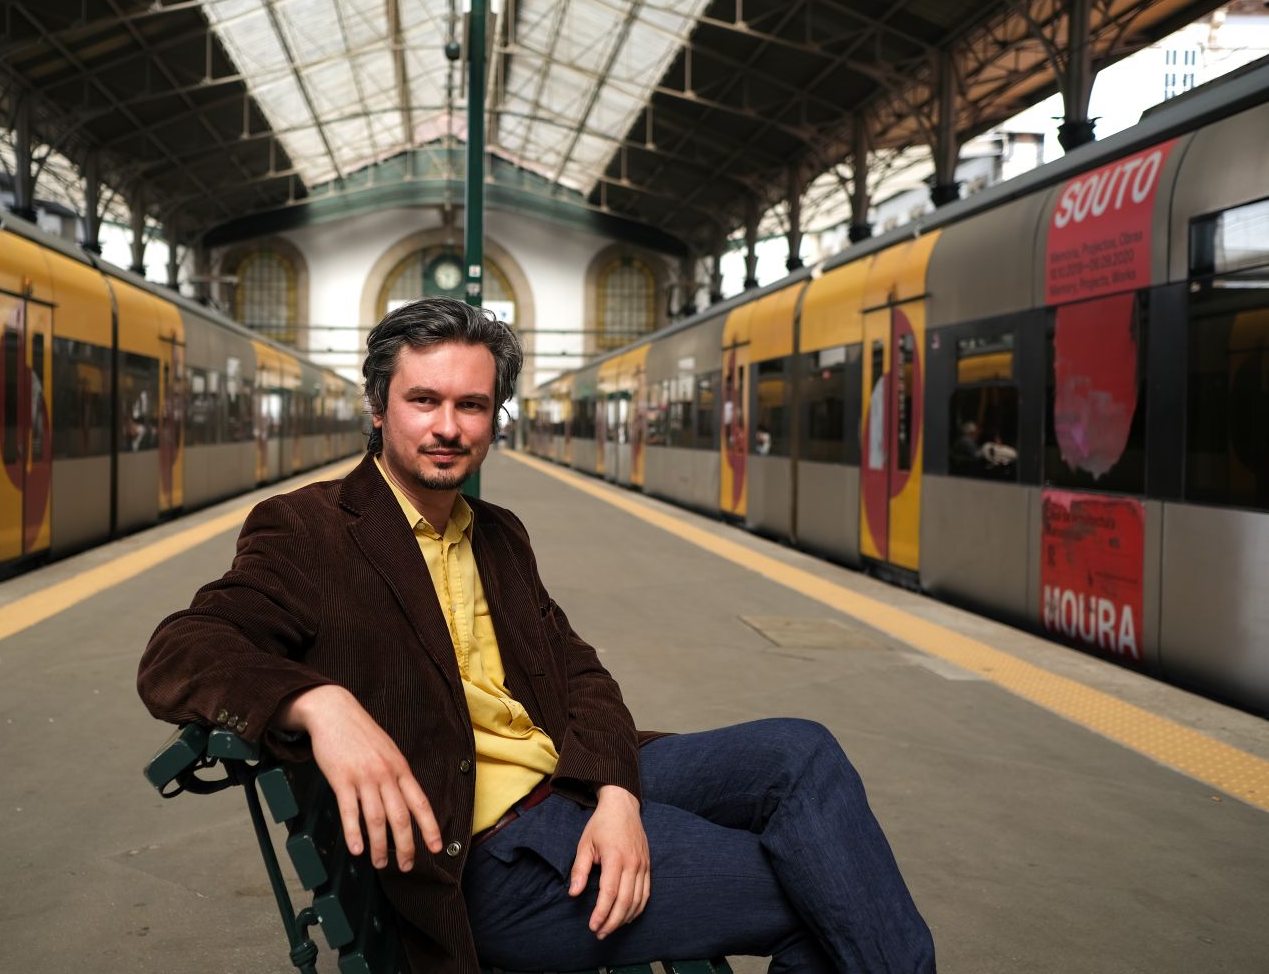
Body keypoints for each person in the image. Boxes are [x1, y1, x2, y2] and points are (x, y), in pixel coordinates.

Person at [138, 298, 935, 973]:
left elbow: (582, 676)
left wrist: (618, 796)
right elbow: (182, 648)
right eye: (424, 401)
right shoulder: (310, 530)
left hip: (572, 783)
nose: (448, 427)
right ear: (378, 407)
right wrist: (319, 702)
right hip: (490, 851)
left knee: (801, 752)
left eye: (472, 406)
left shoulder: (499, 534)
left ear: (495, 419)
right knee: (825, 889)